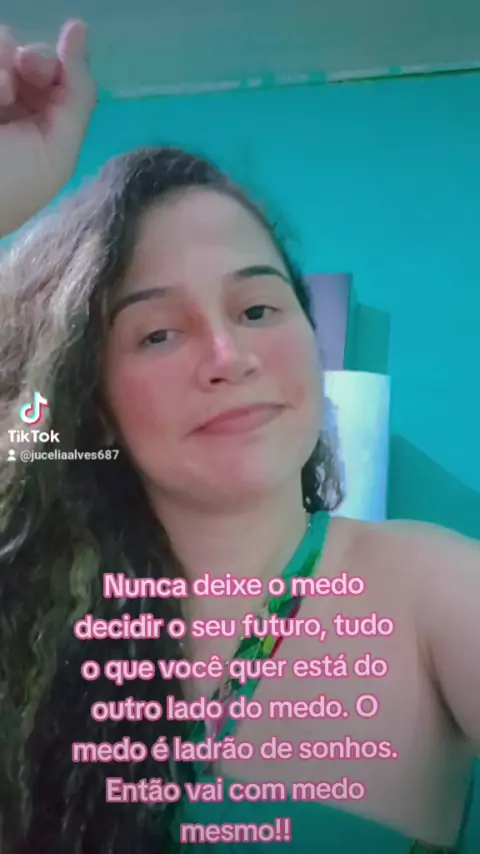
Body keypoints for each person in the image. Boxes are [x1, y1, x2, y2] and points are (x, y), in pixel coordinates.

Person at [0, 18, 479, 854]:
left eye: (258, 309)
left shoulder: (438, 587)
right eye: (157, 333)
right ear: (92, 397)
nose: (229, 357)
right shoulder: (28, 623)